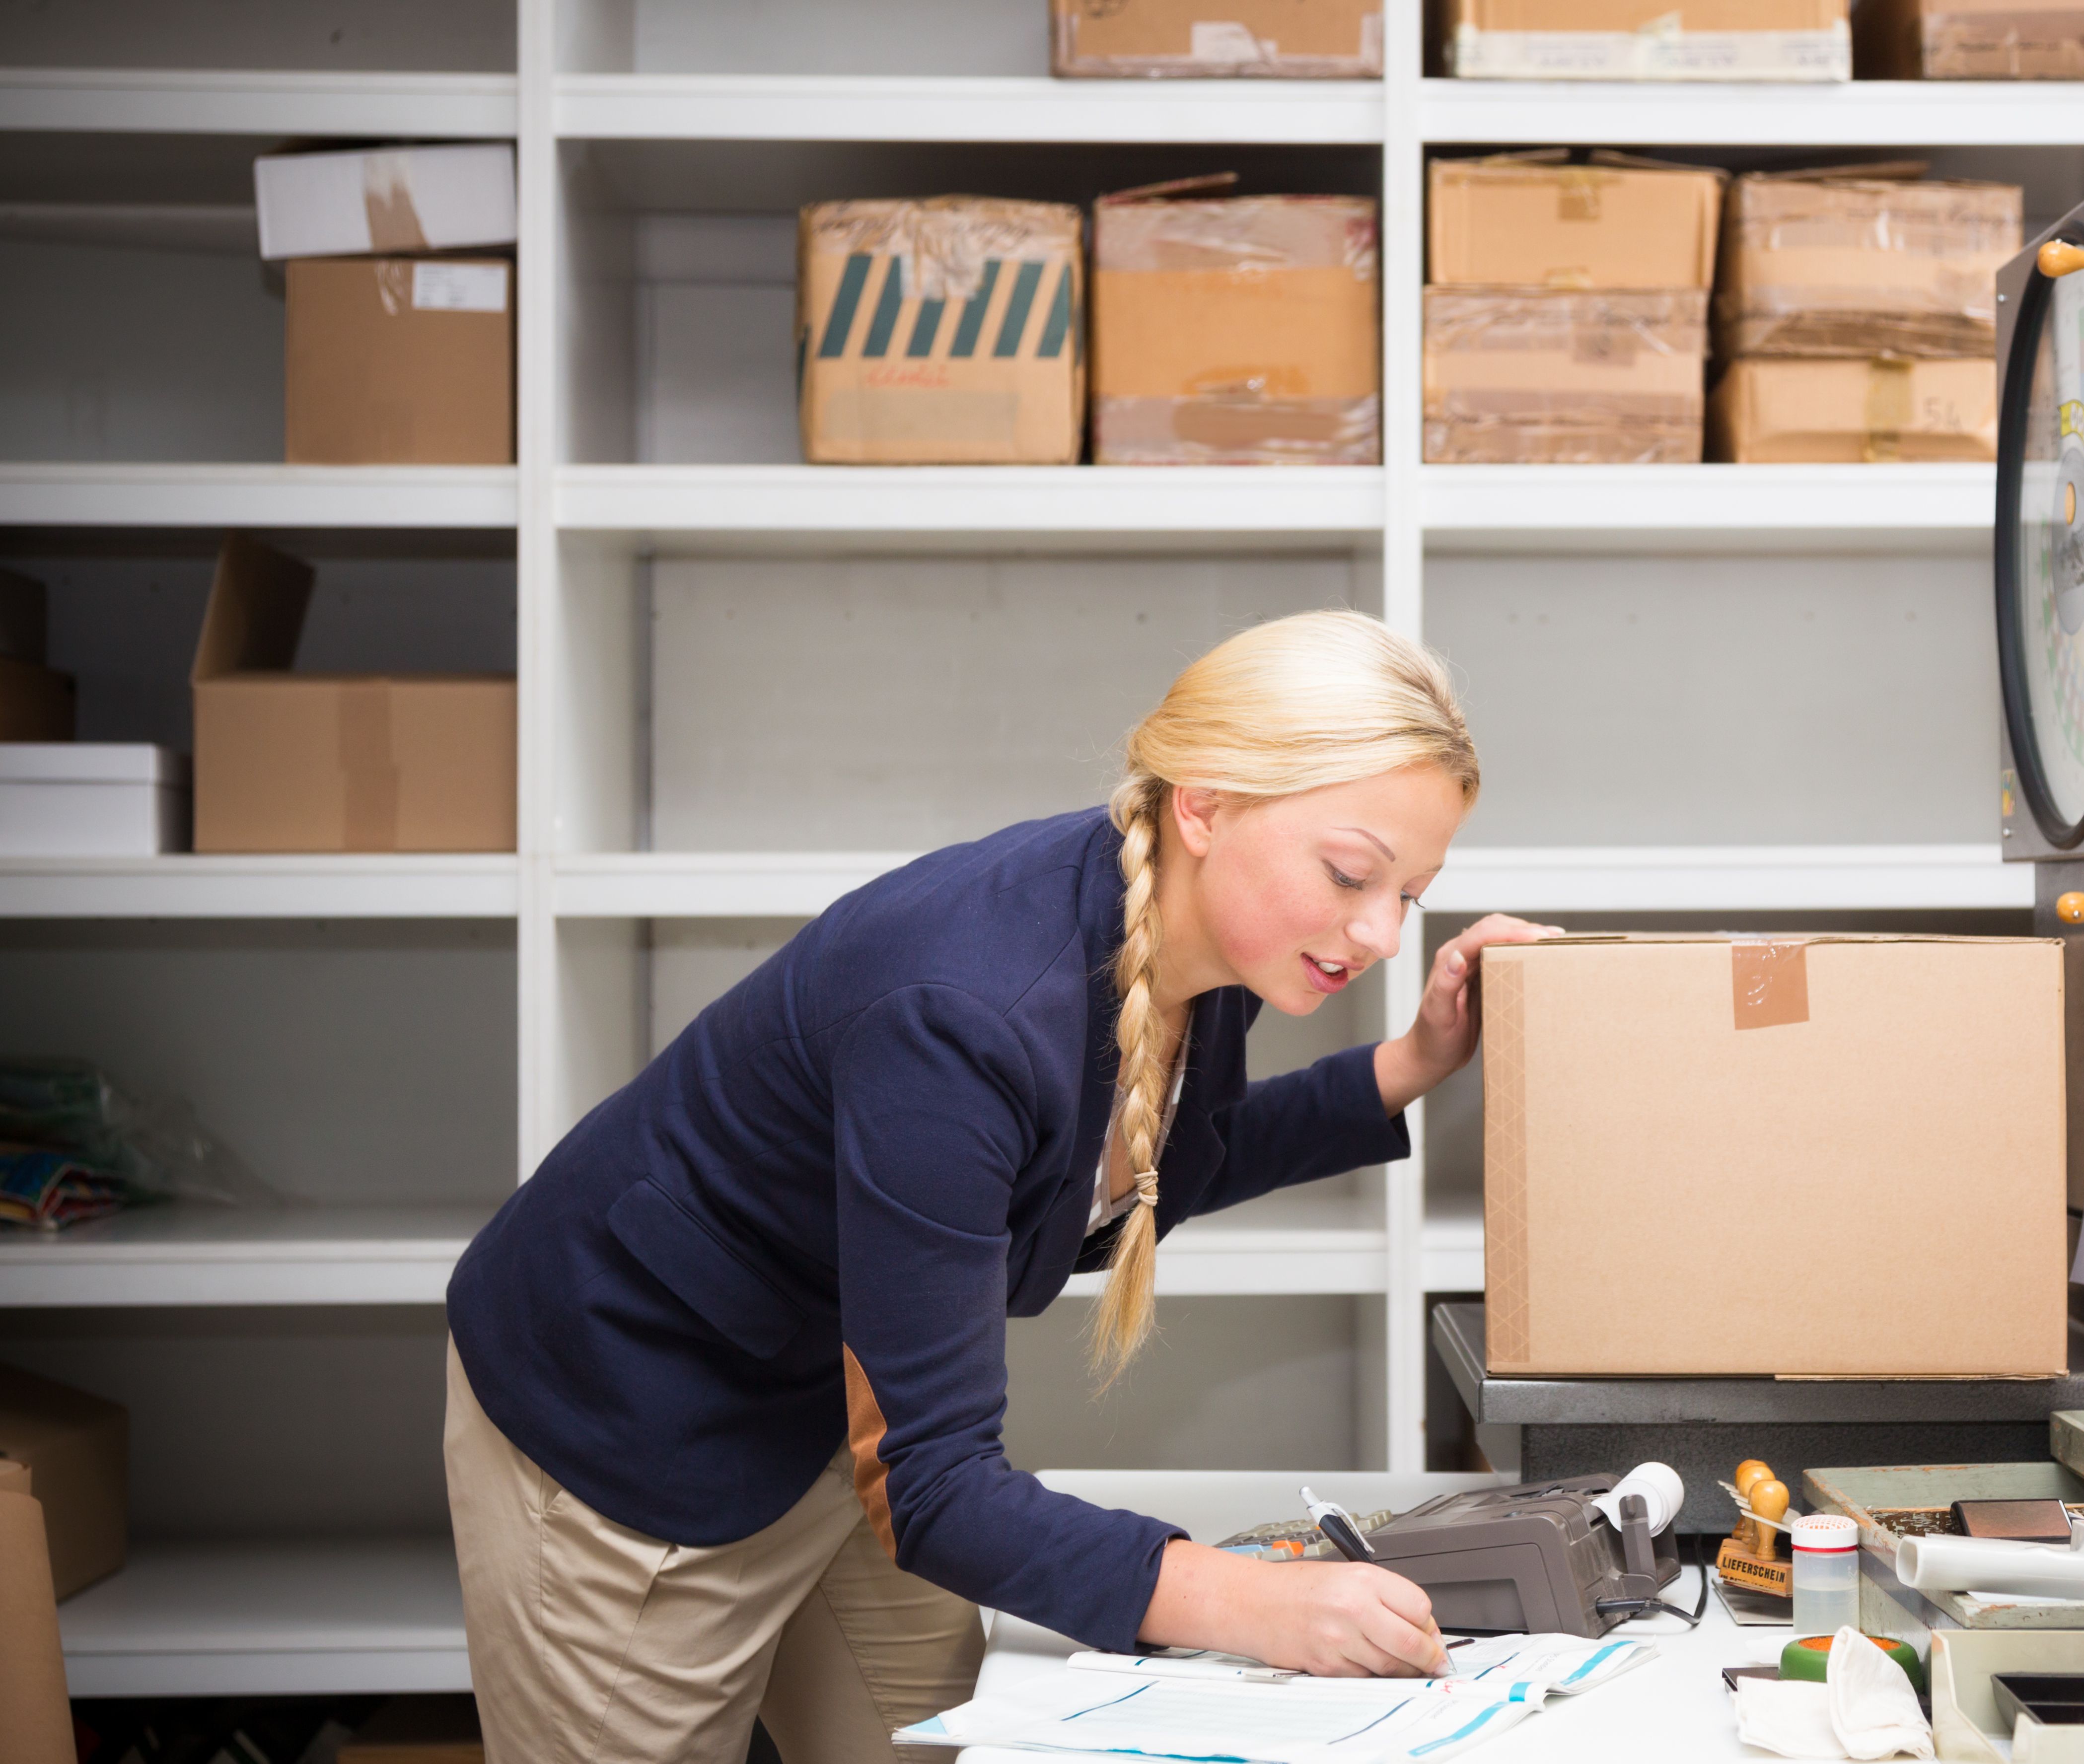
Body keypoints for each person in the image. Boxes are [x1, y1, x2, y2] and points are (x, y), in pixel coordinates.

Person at [441, 610, 1554, 1763]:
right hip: (630, 1416)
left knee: (942, 1742)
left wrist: (1416, 1059)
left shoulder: (1186, 935)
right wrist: (1255, 1603)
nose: (1378, 933)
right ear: (1207, 804)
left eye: (1410, 895)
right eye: (1351, 873)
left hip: (830, 1394)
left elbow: (1165, 1157)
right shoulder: (959, 1012)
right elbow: (938, 1490)